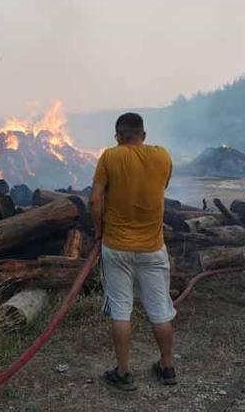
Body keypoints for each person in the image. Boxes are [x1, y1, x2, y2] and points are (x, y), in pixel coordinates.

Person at [89, 112, 176, 391]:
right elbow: (161, 188)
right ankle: (166, 366)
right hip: (152, 247)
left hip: (116, 247)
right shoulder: (162, 156)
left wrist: (98, 231)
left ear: (118, 137)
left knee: (121, 310)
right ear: (144, 135)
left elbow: (94, 200)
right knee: (160, 309)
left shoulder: (110, 157)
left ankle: (124, 372)